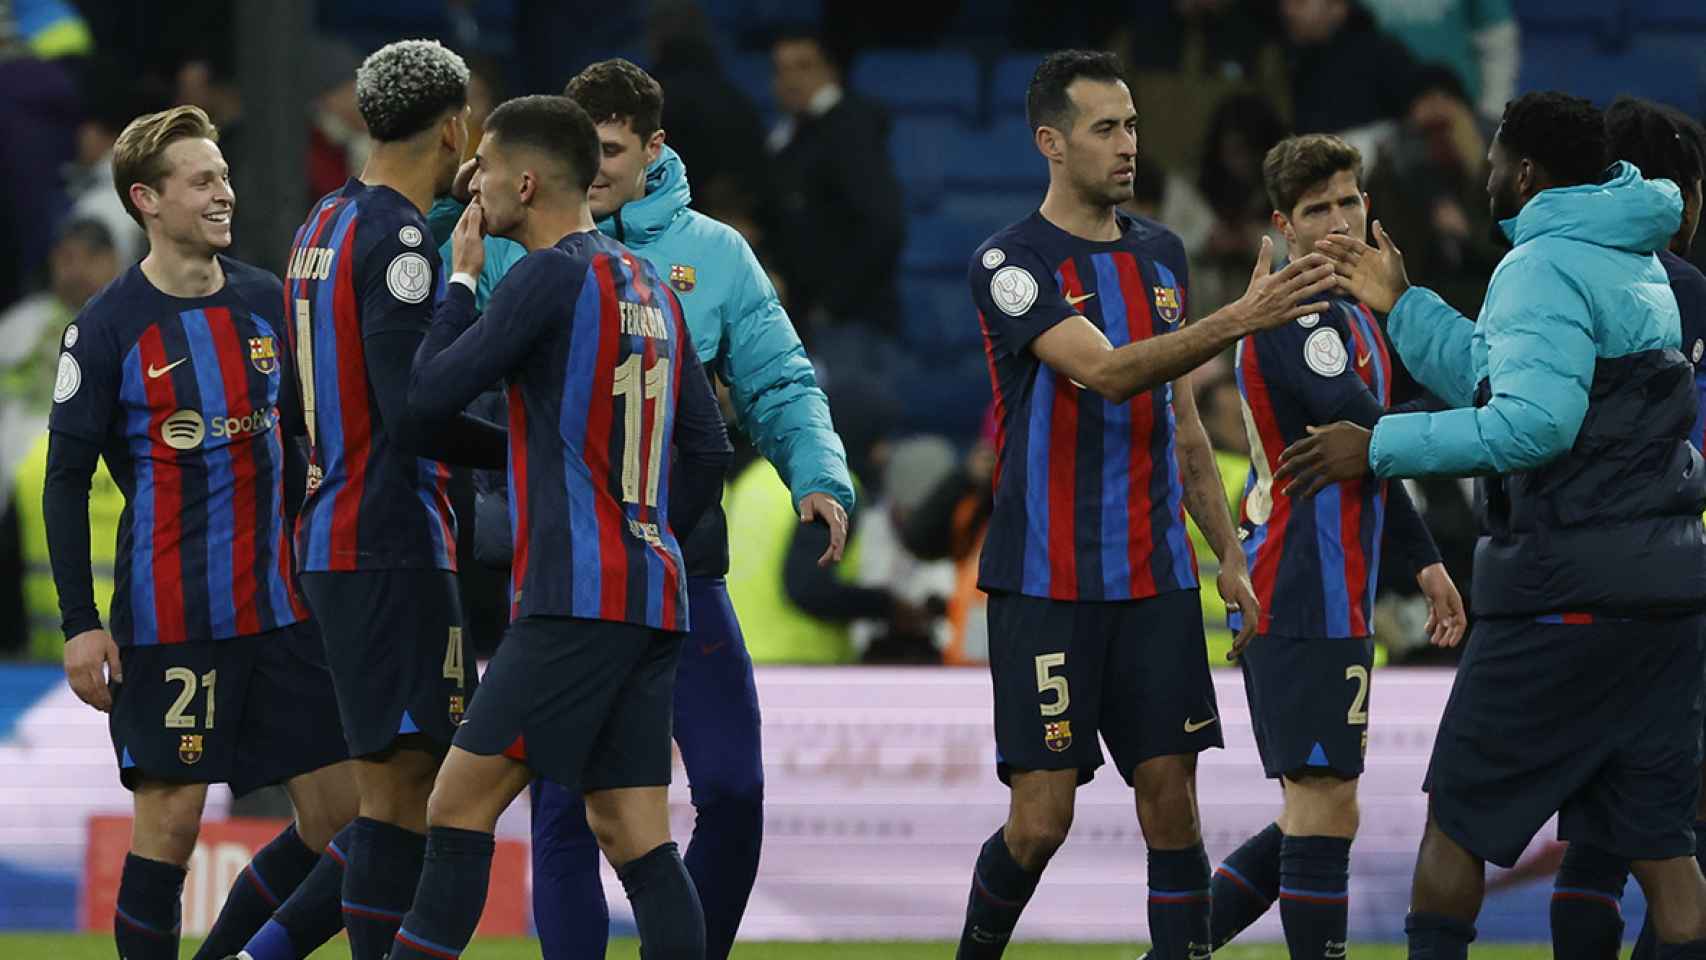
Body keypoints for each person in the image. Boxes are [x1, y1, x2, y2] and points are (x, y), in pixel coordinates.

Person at [429, 57, 853, 960]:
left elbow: (779, 379)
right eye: (583, 145)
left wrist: (813, 475)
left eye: (613, 148)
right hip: (592, 567)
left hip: (658, 571)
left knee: (726, 794)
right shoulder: (507, 236)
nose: (598, 163)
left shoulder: (710, 254)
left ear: (655, 148)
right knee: (581, 816)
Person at [1279, 91, 1706, 959]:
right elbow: (1502, 372)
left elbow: (1533, 427)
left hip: (1561, 594)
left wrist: (1380, 443)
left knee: (1458, 828)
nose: (1482, 176)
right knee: (1664, 853)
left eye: (1491, 163)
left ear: (1522, 171)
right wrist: (1406, 306)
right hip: (1659, 603)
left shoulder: (1542, 263)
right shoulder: (1631, 256)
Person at [953, 50, 1338, 959]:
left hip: (1156, 578)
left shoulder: (1161, 255)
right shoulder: (1011, 262)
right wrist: (1239, 318)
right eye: (1104, 128)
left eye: (1131, 124)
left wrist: (1227, 555)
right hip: (1047, 578)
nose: (1128, 145)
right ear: (1051, 142)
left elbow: (1184, 426)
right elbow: (1109, 371)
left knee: (1173, 802)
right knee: (1040, 820)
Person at [387, 92, 732, 960]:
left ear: (529, 181)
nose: (475, 182)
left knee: (456, 806)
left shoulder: (546, 274)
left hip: (573, 601)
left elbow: (425, 399)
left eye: (489, 169)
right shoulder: (650, 283)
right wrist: (647, 538)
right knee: (633, 832)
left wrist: (460, 280)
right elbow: (708, 448)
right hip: (652, 598)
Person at [42, 104, 356, 960]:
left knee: (345, 821)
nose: (225, 193)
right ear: (147, 198)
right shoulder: (106, 329)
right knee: (172, 824)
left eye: (223, 176)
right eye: (203, 180)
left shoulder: (266, 300)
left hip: (285, 610)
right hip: (171, 617)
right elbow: (65, 482)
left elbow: (307, 444)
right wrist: (80, 622)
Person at [233, 40, 506, 960]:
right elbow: (416, 413)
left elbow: (311, 407)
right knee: (401, 800)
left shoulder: (321, 223)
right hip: (389, 538)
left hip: (339, 534)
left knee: (399, 795)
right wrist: (533, 454)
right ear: (454, 125)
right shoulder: (398, 241)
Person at [1202, 133, 1465, 959]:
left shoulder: (1352, 314)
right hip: (1300, 582)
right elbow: (1367, 425)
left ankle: (1177, 947)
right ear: (1283, 225)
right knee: (1323, 806)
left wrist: (1421, 560)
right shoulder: (1302, 313)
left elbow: (1374, 463)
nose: (1340, 221)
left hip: (1334, 587)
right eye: (1318, 209)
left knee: (1316, 811)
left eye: (1350, 201)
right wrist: (1491, 427)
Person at [1546, 96, 1706, 960]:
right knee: (1672, 834)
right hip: (1670, 584)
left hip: (1568, 582)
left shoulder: (1547, 270)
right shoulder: (1684, 292)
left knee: (1598, 839)